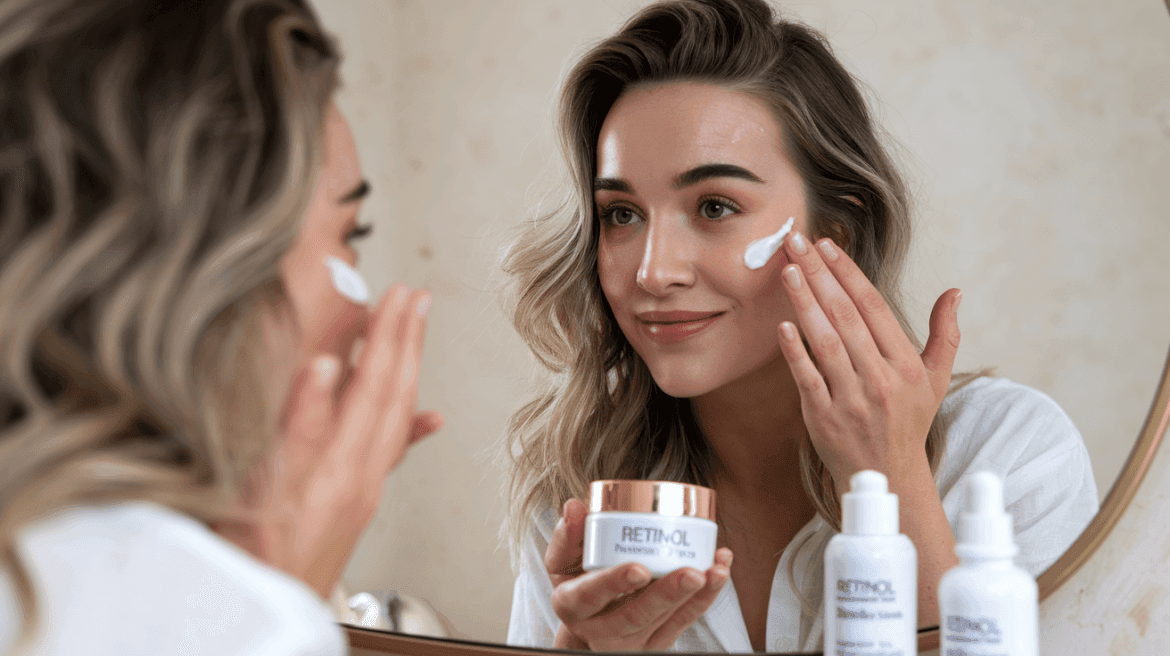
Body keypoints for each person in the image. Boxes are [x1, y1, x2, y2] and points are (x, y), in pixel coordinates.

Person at [501, 0, 1097, 652]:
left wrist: (891, 473)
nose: (652, 272)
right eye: (620, 214)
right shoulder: (584, 490)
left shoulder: (1011, 455)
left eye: (715, 206)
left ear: (835, 230)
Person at [0, 0, 440, 653]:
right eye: (351, 233)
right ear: (213, 266)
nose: (364, 308)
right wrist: (280, 596)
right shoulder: (231, 622)